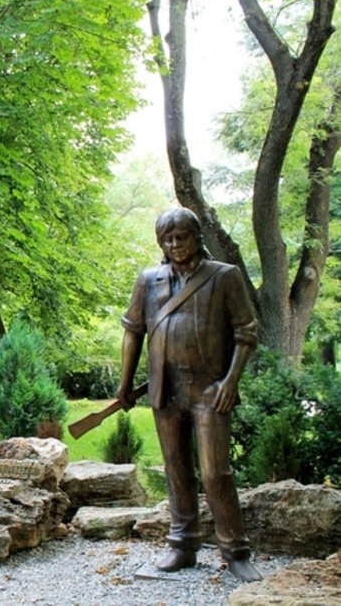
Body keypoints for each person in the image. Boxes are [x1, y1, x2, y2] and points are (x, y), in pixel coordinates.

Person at [117, 207, 262, 582]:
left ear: (197, 237)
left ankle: (236, 551)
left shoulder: (224, 276)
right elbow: (133, 331)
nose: (175, 244)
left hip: (210, 389)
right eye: (167, 239)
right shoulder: (148, 280)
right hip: (165, 390)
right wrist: (124, 383)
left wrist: (231, 382)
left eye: (182, 237)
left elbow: (246, 332)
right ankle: (182, 545)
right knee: (176, 469)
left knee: (215, 472)